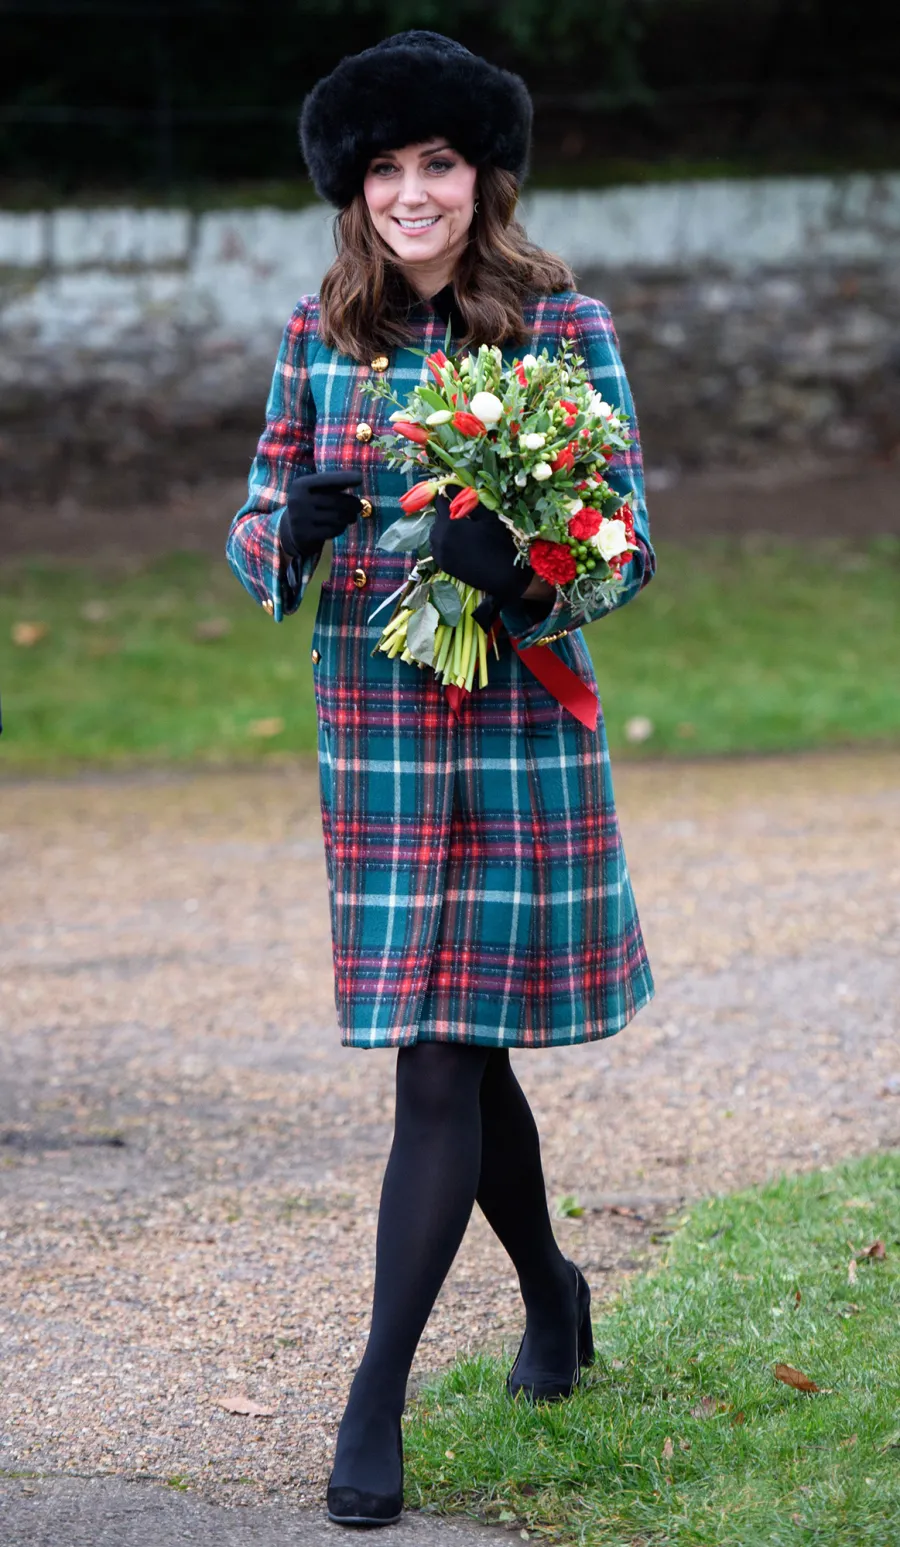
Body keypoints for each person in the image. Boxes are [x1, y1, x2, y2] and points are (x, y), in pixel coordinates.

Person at [226, 30, 656, 1529]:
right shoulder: (315, 335)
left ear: (484, 177)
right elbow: (259, 510)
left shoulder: (561, 324)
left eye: (442, 164)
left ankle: (373, 1402)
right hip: (386, 753)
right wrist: (293, 529)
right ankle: (553, 1290)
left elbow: (627, 541)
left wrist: (528, 569)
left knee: (442, 1063)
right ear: (355, 188)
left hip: (520, 743)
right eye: (389, 169)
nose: (415, 193)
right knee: (457, 1051)